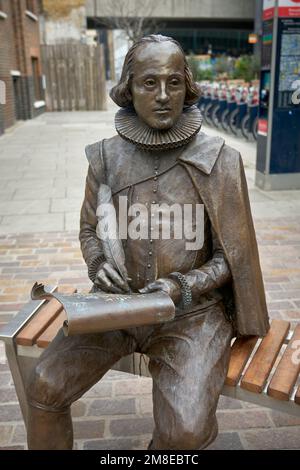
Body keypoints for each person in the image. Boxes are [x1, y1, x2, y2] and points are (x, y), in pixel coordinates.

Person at [26, 35, 269, 450]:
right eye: (148, 83)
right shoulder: (105, 157)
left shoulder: (220, 158)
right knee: (44, 385)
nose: (162, 96)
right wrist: (96, 261)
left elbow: (234, 257)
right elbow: (89, 230)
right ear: (128, 88)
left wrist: (183, 285)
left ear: (187, 87)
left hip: (192, 314)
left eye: (174, 83)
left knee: (185, 433)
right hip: (117, 307)